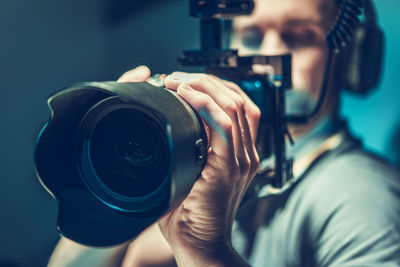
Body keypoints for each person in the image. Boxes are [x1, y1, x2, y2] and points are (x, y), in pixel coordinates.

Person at [48, 0, 400, 266]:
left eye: (298, 37)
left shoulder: (359, 197)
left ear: (351, 61)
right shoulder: (222, 166)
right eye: (252, 35)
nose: (269, 53)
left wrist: (203, 249)